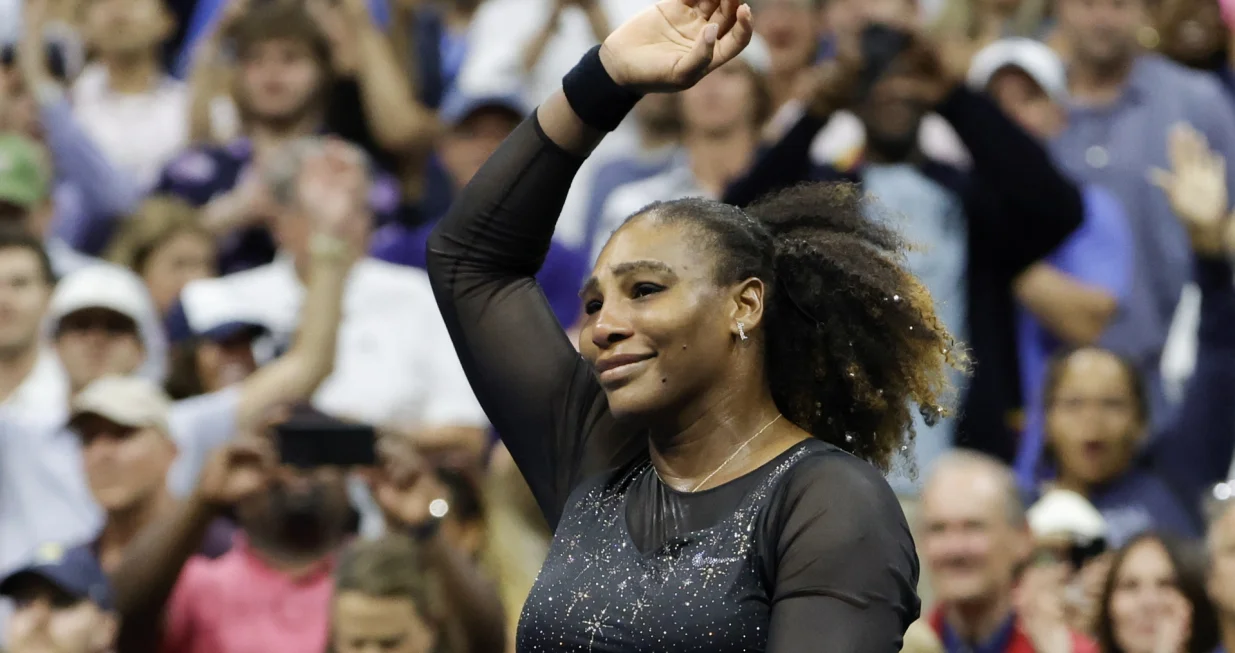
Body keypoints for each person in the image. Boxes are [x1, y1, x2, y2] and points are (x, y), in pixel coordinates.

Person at [426, 0, 955, 648]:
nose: (604, 327)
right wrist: (605, 78)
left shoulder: (827, 500)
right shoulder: (590, 455)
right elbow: (468, 259)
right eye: (593, 305)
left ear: (745, 305)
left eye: (643, 290)